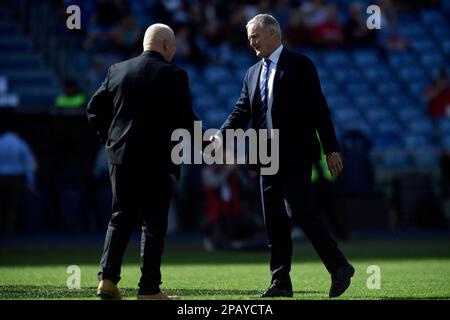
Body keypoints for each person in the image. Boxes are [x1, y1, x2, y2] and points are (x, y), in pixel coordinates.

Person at [211, 14, 354, 298]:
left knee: (301, 211)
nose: (251, 42)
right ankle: (281, 282)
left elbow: (318, 109)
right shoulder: (251, 73)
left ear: (273, 34)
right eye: (249, 37)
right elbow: (242, 111)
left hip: (295, 154)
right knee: (273, 220)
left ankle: (339, 266)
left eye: (255, 36)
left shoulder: (300, 65)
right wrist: (221, 134)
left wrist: (331, 148)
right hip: (266, 155)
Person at [87, 23, 199, 300]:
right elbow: (186, 121)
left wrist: (110, 140)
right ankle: (148, 289)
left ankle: (107, 281)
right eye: (173, 45)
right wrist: (208, 145)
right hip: (157, 160)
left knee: (119, 218)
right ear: (164, 45)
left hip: (120, 157)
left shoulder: (117, 70)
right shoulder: (174, 75)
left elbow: (93, 109)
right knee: (153, 224)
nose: (174, 50)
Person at [0, 108, 36, 234]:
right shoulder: (21, 143)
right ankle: (8, 232)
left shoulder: (1, 142)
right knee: (11, 206)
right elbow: (28, 165)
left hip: (1, 178)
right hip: (14, 179)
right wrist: (31, 182)